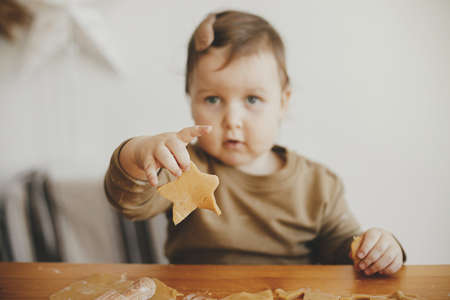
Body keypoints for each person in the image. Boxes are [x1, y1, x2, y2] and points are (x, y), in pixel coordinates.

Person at [104, 10, 406, 275]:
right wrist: (137, 153)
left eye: (252, 99)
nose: (232, 119)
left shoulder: (318, 185)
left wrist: (379, 249)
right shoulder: (182, 166)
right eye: (212, 99)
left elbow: (347, 253)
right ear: (190, 100)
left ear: (283, 103)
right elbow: (129, 203)